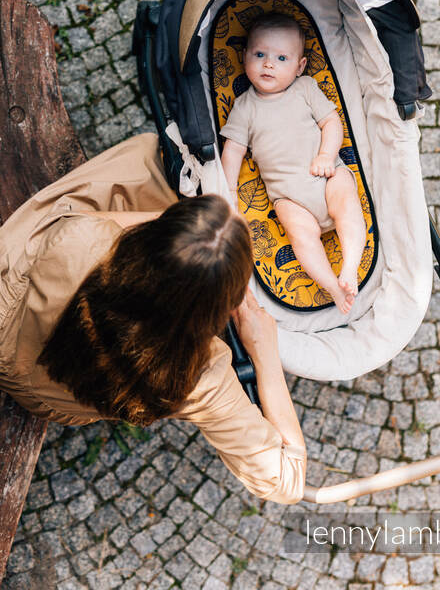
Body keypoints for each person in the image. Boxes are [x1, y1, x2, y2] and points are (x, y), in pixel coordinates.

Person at [0, 133, 305, 504]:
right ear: (220, 309)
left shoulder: (80, 241)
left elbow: (96, 224)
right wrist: (265, 357)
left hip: (10, 325)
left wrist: (181, 230)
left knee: (148, 154)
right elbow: (287, 484)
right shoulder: (201, 377)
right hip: (53, 399)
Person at [220, 13, 367, 313]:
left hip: (327, 176)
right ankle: (332, 286)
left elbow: (331, 123)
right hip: (289, 197)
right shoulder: (244, 107)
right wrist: (228, 191)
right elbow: (233, 150)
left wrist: (327, 154)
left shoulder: (306, 88)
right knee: (301, 236)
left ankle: (349, 267)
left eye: (281, 58)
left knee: (347, 206)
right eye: (259, 54)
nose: (268, 64)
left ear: (300, 66)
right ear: (244, 56)